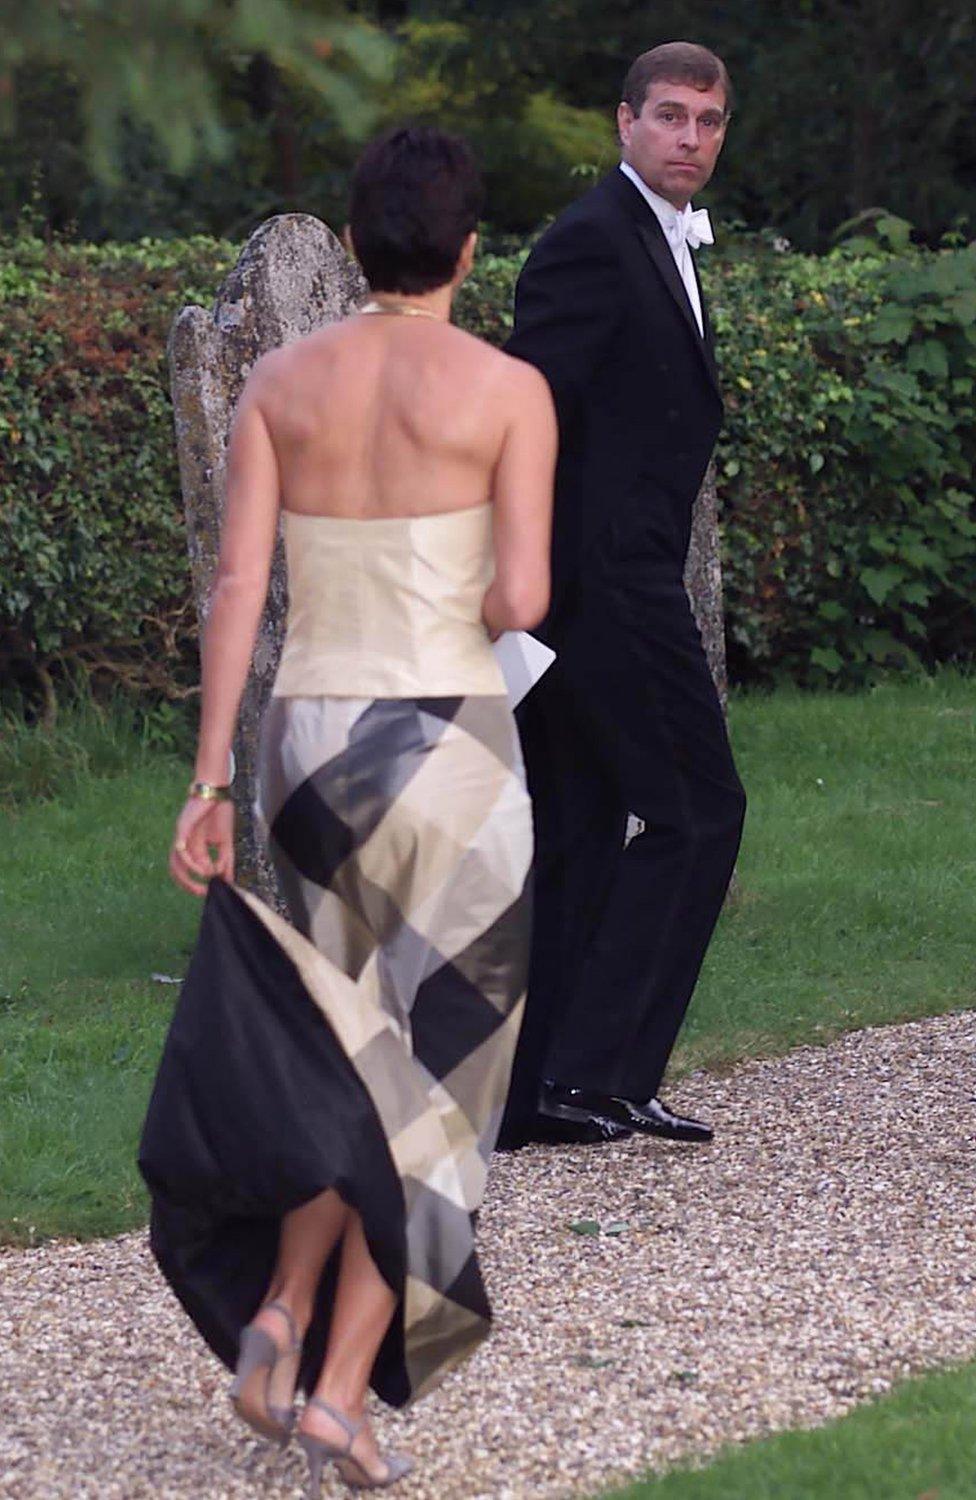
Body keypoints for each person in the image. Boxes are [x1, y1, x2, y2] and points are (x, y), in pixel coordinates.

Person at [139, 126, 555, 1493]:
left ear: (358, 244)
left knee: (340, 1064)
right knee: (436, 1091)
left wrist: (208, 780)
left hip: (308, 749)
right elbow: (523, 604)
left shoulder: (278, 379)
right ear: (470, 248)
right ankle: (333, 1397)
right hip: (449, 746)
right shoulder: (508, 389)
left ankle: (273, 1314)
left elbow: (239, 591)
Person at [497, 42, 746, 1150]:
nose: (690, 137)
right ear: (624, 123)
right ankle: (598, 1072)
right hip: (602, 589)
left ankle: (536, 1089)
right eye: (672, 117)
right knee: (700, 809)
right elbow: (522, 418)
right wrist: (529, 587)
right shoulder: (589, 243)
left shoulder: (656, 237)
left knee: (585, 828)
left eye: (709, 120)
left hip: (605, 582)